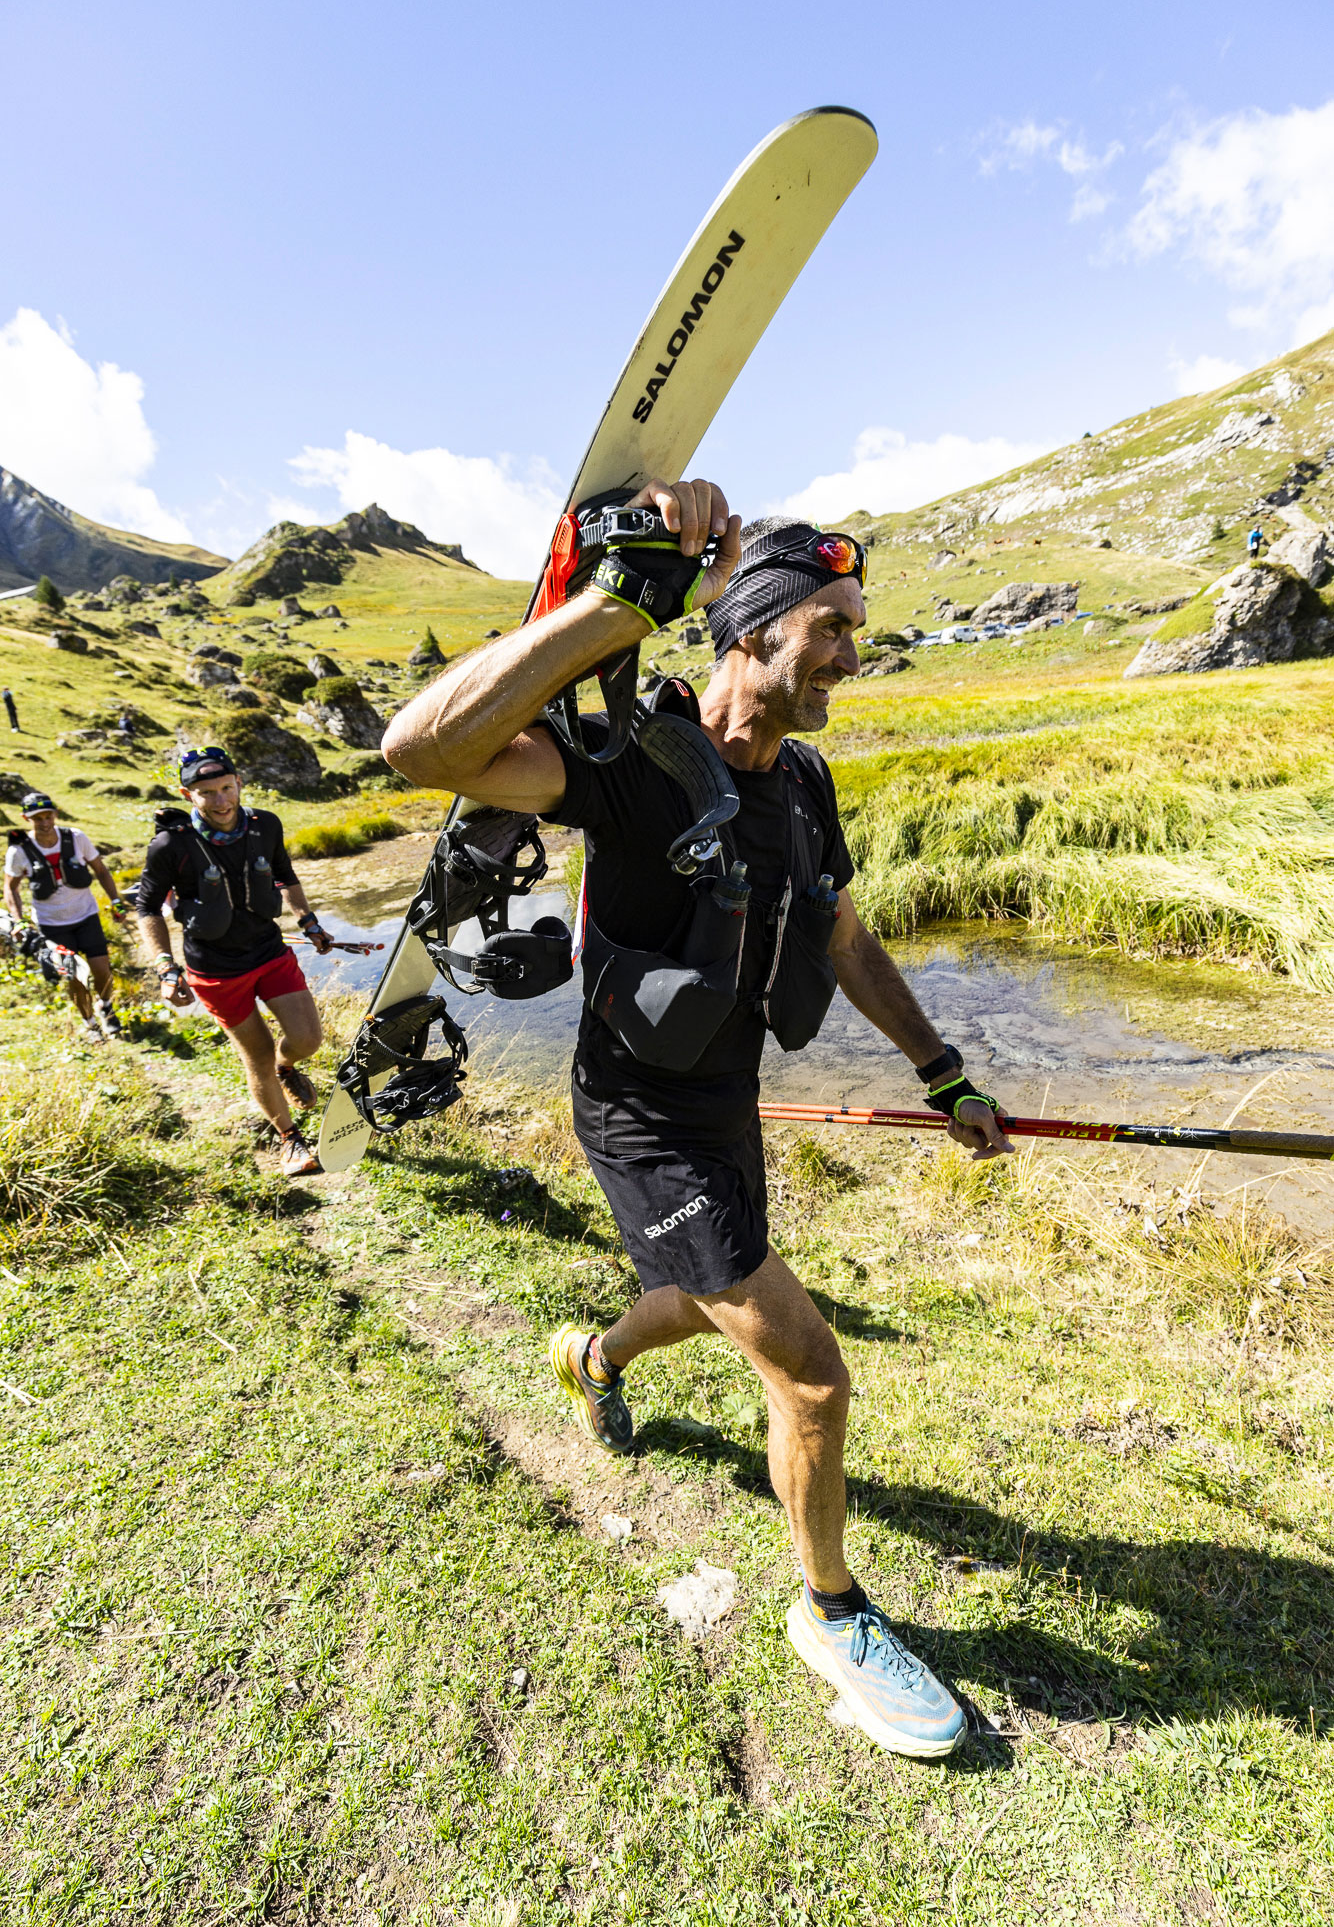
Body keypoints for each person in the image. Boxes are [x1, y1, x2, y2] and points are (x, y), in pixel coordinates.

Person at [383, 481, 1013, 1761]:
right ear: (752, 629)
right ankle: (830, 1614)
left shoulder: (806, 781)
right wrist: (615, 604)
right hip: (635, 1119)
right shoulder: (629, 766)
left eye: (854, 626)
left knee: (687, 1291)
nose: (851, 651)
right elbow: (423, 752)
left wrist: (943, 1070)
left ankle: (595, 1359)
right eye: (829, 625)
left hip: (723, 1102)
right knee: (810, 1373)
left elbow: (837, 933)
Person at [134, 746, 336, 1178]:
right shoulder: (171, 845)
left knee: (307, 1040)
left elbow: (285, 875)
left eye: (227, 788)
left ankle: (287, 1067)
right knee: (256, 1055)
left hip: (269, 951)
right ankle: (289, 1140)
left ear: (239, 782)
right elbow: (147, 908)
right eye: (208, 793)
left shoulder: (265, 825)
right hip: (215, 970)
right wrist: (166, 968)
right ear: (189, 795)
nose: (222, 802)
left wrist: (310, 921)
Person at [4, 791, 126, 1037]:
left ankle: (107, 1008)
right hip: (52, 925)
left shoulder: (76, 838)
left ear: (55, 813)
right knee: (74, 976)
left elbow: (101, 870)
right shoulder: (19, 851)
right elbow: (10, 888)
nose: (45, 822)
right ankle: (90, 1023)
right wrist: (20, 920)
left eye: (48, 816)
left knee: (101, 969)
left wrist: (116, 901)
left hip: (86, 916)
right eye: (38, 818)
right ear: (26, 818)